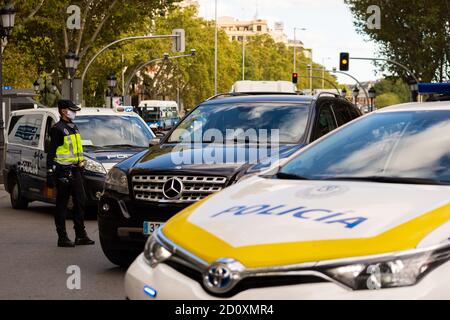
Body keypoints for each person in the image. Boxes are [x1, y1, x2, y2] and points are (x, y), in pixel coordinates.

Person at [46, 100, 95, 247]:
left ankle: (80, 235)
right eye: (71, 110)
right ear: (62, 111)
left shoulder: (74, 127)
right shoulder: (57, 129)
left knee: (80, 201)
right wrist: (50, 173)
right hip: (63, 172)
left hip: (76, 171)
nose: (74, 112)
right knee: (62, 204)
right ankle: (62, 237)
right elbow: (51, 153)